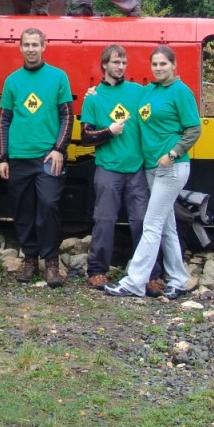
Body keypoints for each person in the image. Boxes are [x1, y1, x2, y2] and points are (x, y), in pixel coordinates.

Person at [105, 45, 202, 300]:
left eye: (163, 64)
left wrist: (173, 154)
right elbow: (122, 95)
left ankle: (134, 282)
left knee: (151, 224)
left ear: (174, 65)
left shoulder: (181, 92)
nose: (159, 68)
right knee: (167, 226)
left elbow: (194, 129)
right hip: (151, 168)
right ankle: (179, 279)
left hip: (171, 168)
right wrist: (96, 91)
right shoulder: (148, 91)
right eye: (155, 65)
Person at [0, 29, 73, 287]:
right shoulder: (12, 81)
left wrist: (59, 149)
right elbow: (4, 120)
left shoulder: (58, 77)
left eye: (35, 45)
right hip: (18, 157)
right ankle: (30, 259)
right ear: (20, 48)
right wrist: (3, 157)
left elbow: (67, 115)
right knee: (23, 209)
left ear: (44, 46)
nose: (31, 49)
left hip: (47, 158)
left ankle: (51, 262)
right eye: (26, 45)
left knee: (48, 205)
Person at [79, 45, 148, 289]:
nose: (120, 66)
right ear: (105, 65)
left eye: (123, 62)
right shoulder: (94, 98)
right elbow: (85, 136)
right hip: (108, 168)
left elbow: (161, 95)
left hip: (137, 168)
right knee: (104, 221)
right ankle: (97, 270)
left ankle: (149, 273)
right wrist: (109, 131)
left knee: (142, 222)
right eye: (116, 62)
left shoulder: (138, 92)